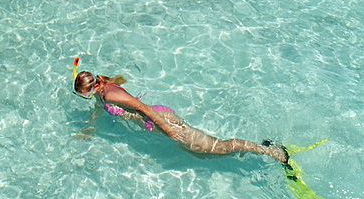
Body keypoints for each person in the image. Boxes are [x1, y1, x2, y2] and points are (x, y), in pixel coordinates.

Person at [74, 69, 289, 165]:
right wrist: (90, 127)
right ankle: (250, 150)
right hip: (157, 123)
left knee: (218, 147)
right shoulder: (102, 90)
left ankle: (271, 151)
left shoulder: (111, 93)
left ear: (92, 88)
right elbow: (99, 107)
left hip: (160, 120)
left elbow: (144, 109)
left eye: (84, 95)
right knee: (201, 155)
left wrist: (168, 130)